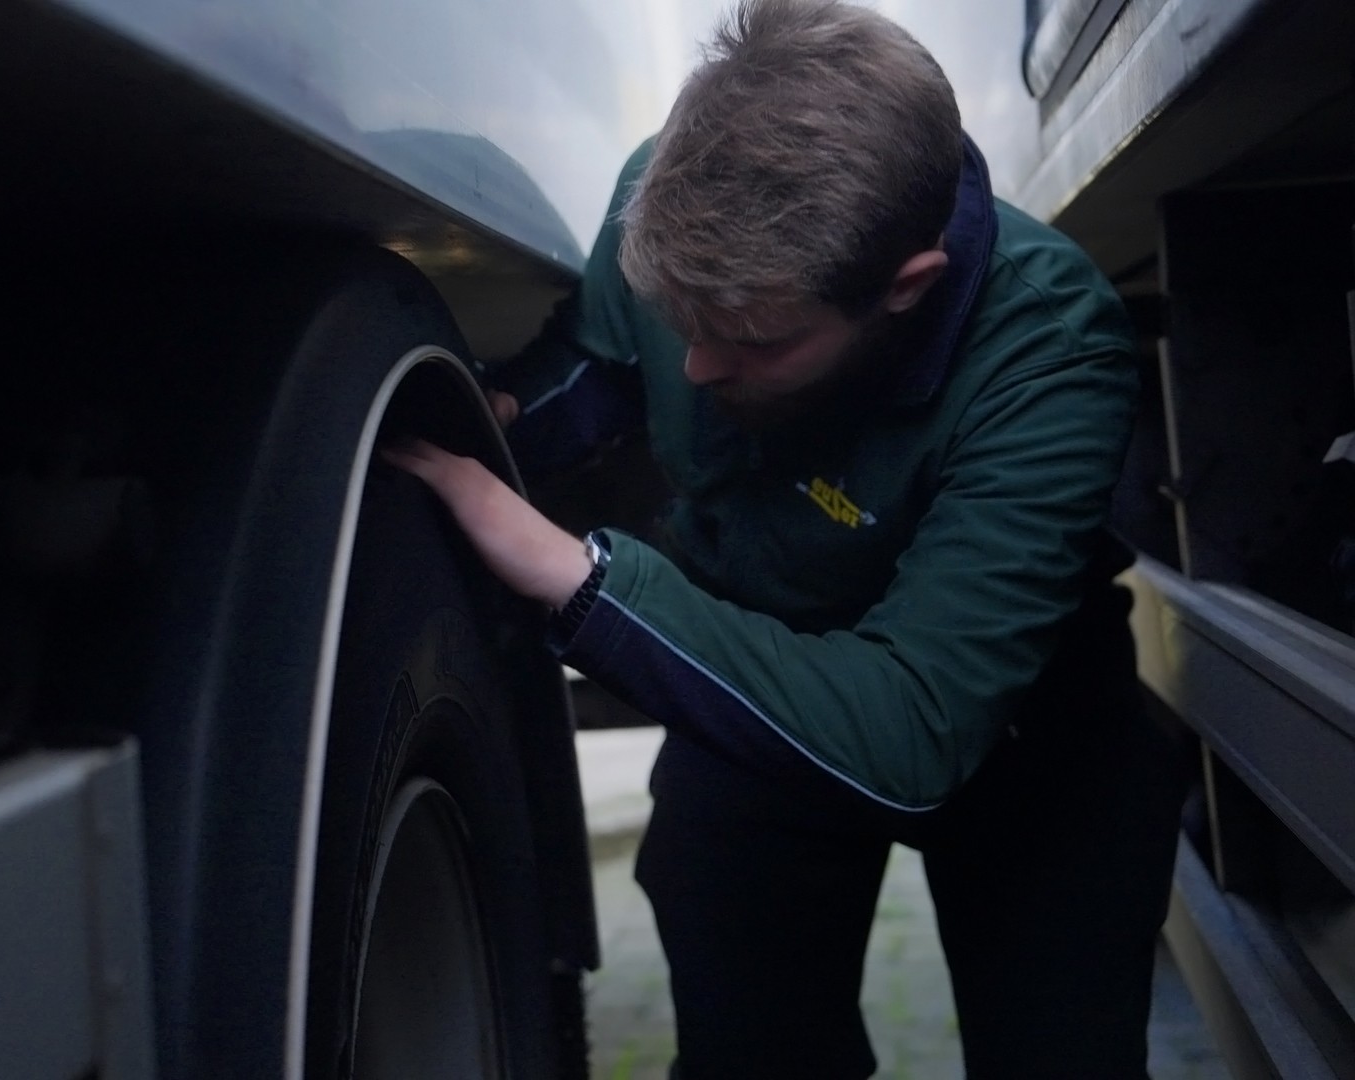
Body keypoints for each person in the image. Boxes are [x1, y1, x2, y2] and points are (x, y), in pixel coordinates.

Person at [382, 1, 1185, 1076]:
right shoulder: (665, 196)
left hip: (1010, 723)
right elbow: (607, 362)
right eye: (685, 325)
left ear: (906, 289)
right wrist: (504, 420)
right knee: (749, 1050)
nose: (702, 371)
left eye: (753, 339)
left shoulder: (1050, 348)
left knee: (1059, 1054)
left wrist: (581, 581)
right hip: (751, 667)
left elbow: (913, 729)